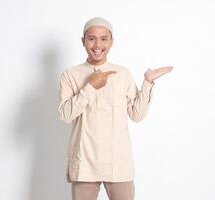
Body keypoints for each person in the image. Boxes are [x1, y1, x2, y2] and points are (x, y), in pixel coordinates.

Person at [58, 17, 173, 200]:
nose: (97, 44)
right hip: (85, 162)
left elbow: (137, 114)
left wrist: (148, 83)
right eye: (91, 38)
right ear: (83, 41)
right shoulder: (70, 75)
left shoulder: (123, 74)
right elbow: (65, 115)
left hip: (118, 162)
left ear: (112, 42)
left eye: (104, 39)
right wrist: (90, 87)